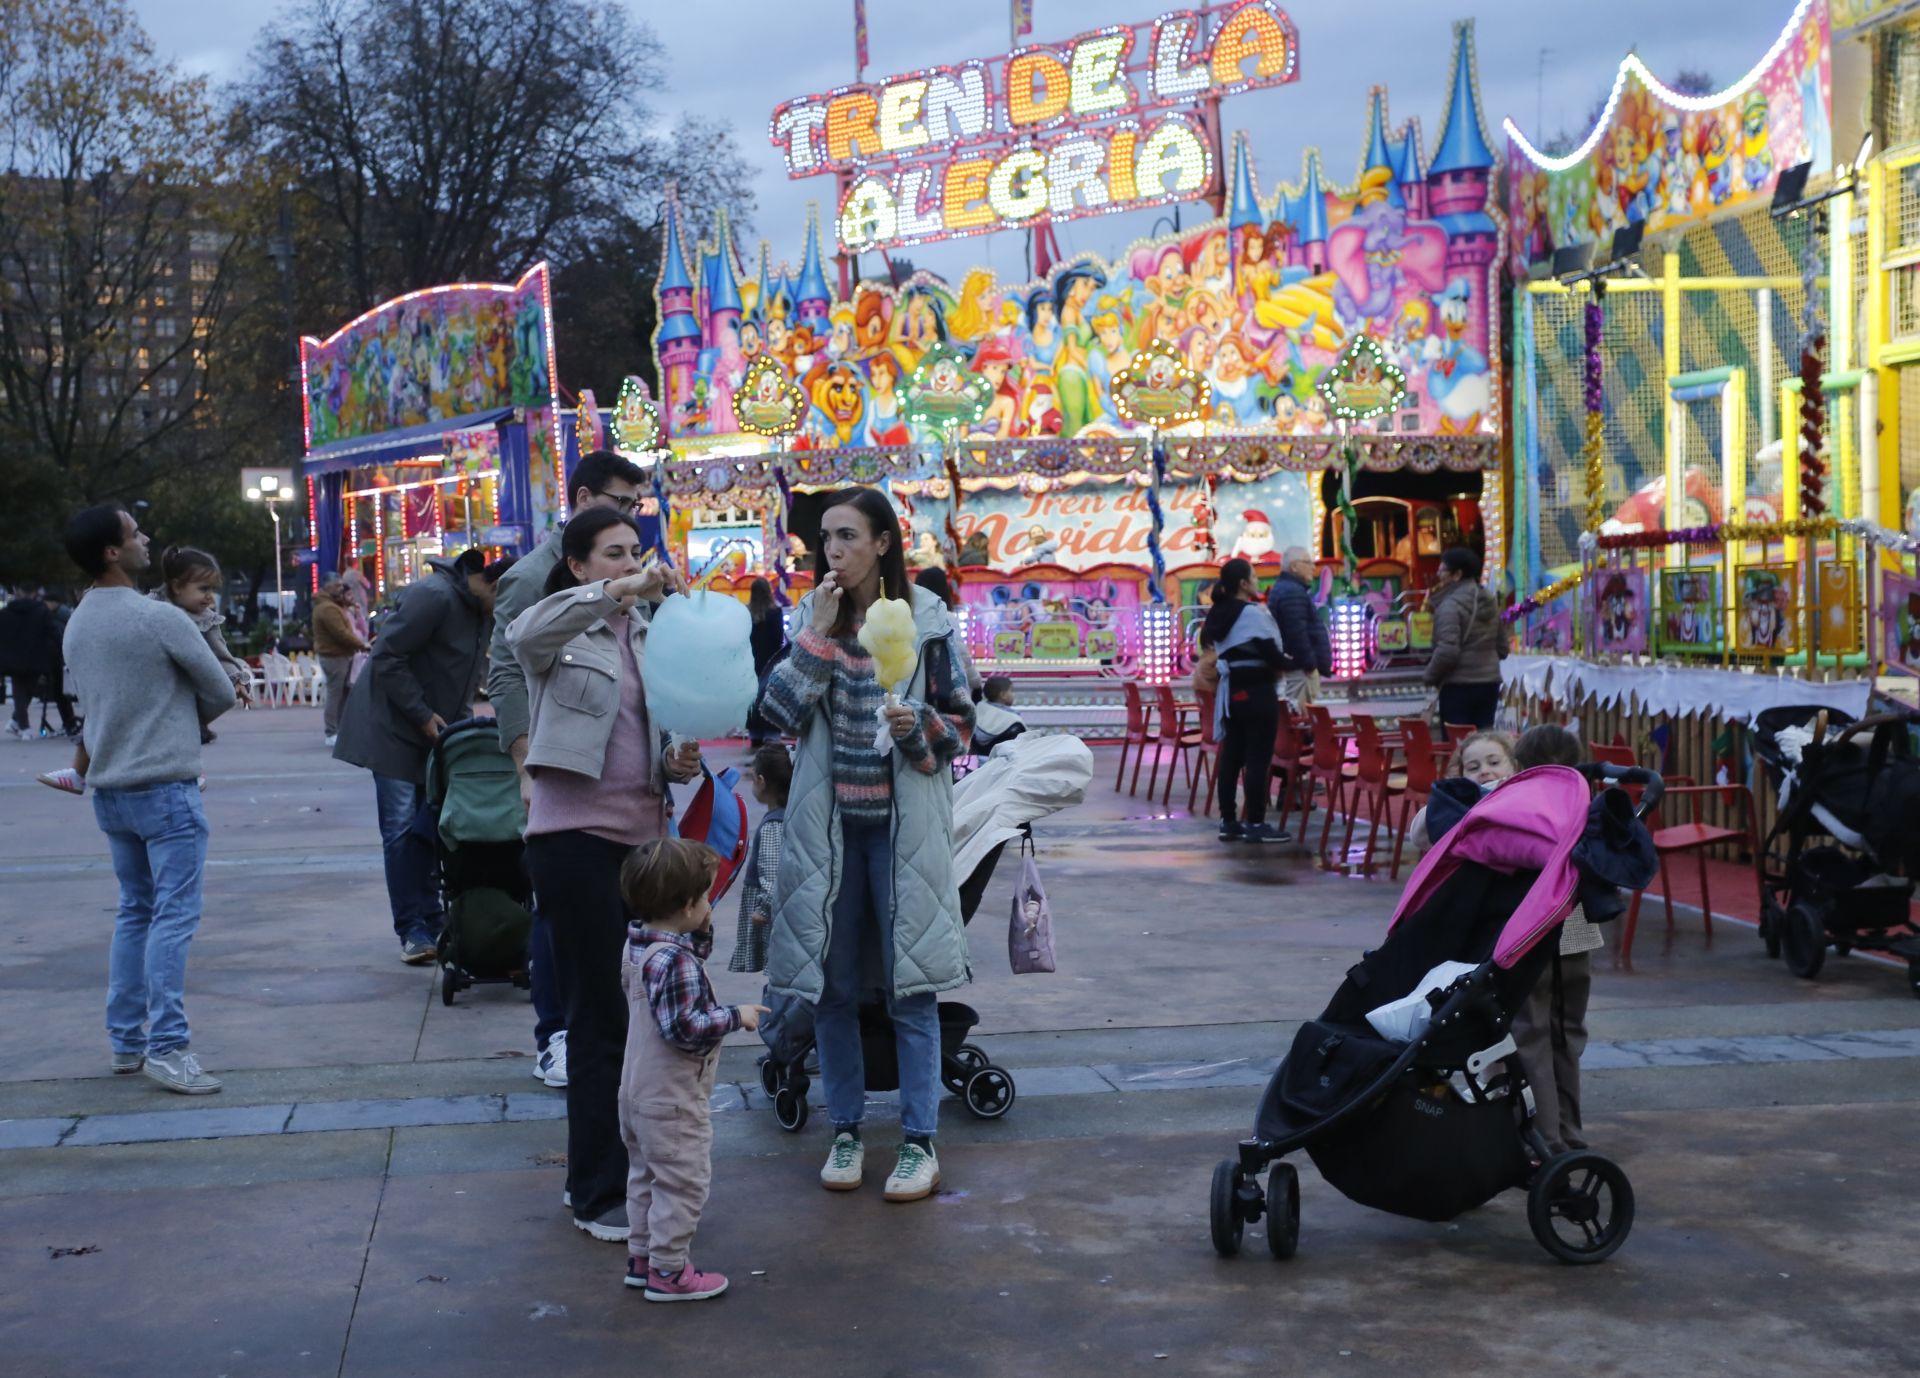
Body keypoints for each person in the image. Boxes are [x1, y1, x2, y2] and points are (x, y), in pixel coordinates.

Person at [758, 487, 976, 1203]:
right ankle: (846, 1130)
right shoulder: (813, 618)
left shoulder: (930, 625)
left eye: (848, 536)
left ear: (884, 543)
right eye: (826, 538)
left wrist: (916, 727)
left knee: (910, 988)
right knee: (834, 988)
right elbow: (777, 714)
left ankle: (919, 1142)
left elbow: (959, 734)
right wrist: (815, 636)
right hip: (827, 833)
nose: (834, 551)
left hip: (899, 833)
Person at [507, 506, 699, 1243]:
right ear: (580, 565)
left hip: (642, 843)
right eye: (612, 554)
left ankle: (616, 1171)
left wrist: (675, 760)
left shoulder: (654, 637)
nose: (630, 563)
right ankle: (596, 1191)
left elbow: (654, 734)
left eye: (635, 552)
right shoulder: (560, 628)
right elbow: (524, 634)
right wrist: (619, 591)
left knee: (644, 1013)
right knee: (599, 1018)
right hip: (572, 842)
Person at [60, 505, 237, 1093]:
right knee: (173, 917)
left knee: (135, 912)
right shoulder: (156, 618)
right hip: (165, 787)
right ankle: (168, 1045)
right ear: (112, 552)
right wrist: (179, 722)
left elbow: (90, 708)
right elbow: (219, 689)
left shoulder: (78, 622)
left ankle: (126, 1041)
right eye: (135, 534)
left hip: (110, 791)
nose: (146, 540)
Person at [488, 449, 647, 1085]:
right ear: (584, 500)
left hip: (634, 819)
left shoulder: (637, 614)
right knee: (572, 943)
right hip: (566, 801)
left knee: (624, 966)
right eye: (619, 503)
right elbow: (511, 660)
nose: (631, 526)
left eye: (637, 513)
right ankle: (554, 1034)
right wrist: (526, 761)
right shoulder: (536, 578)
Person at [334, 548, 509, 964]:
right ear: (494, 585)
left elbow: (464, 680)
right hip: (392, 728)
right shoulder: (435, 596)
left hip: (434, 732)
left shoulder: (481, 610)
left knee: (434, 826)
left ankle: (435, 918)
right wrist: (420, 714)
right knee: (399, 830)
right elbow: (387, 657)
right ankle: (413, 929)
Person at [617, 836, 767, 1302]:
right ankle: (670, 1272)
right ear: (684, 905)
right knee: (683, 1183)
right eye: (703, 898)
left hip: (637, 1093)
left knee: (645, 1176)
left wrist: (699, 927)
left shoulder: (640, 946)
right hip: (674, 1100)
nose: (708, 904)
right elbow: (685, 1026)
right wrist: (734, 1016)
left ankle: (643, 1259)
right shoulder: (674, 961)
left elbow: (682, 965)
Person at [39, 546, 252, 796]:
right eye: (203, 589)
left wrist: (237, 678)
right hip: (141, 683)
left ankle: (190, 773)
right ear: (177, 586)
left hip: (178, 689)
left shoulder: (205, 620)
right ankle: (77, 772)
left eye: (212, 590)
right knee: (100, 720)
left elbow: (222, 656)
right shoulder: (148, 608)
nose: (210, 598)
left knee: (183, 726)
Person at [1509, 724, 1601, 1155]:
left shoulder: (1521, 804)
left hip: (1536, 921)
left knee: (1531, 1029)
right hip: (1579, 917)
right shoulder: (1588, 804)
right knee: (1568, 1028)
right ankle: (1571, 1129)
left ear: (1520, 766)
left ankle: (1545, 1137)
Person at [1203, 558, 1290, 845]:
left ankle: (1228, 821)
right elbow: (1272, 655)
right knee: (1257, 759)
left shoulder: (1218, 612)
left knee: (1231, 758)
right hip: (1258, 691)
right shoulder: (1251, 614)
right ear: (1243, 583)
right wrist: (1300, 662)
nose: (1257, 581)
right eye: (1253, 576)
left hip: (1232, 693)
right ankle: (1255, 821)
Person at [1424, 546, 1510, 730]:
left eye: (1443, 569)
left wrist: (1429, 676)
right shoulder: (1489, 601)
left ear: (1457, 575)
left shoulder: (1450, 606)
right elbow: (1503, 648)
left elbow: (1448, 651)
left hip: (1458, 687)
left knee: (1459, 745)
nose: (1438, 573)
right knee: (1483, 741)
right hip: (1489, 685)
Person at [728, 744, 790, 975]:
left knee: (776, 966)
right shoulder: (788, 816)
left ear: (762, 781)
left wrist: (763, 910)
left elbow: (773, 872)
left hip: (772, 917)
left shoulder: (774, 824)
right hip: (778, 911)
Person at [1406, 729, 1517, 851]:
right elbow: (1418, 835)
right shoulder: (1462, 802)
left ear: (1513, 766)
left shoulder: (1524, 793)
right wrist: (1452, 798)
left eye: (1494, 763)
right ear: (1461, 775)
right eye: (1473, 768)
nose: (1484, 771)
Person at [1, 586, 78, 740]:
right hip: (36, 656)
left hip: (13, 656)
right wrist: (64, 648)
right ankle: (20, 724)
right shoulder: (41, 612)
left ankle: (22, 725)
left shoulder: (6, 612)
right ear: (35, 594)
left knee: (19, 691)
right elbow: (53, 631)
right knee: (30, 688)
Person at [1266, 546, 1331, 708]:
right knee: (1301, 717)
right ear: (1294, 567)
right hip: (1300, 670)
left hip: (1297, 666)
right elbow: (1297, 633)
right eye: (1308, 562)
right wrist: (1309, 663)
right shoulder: (1292, 592)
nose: (1313, 567)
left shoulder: (1288, 589)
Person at [312, 577, 372, 747]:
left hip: (339, 655)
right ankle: (331, 732)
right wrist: (362, 645)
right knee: (335, 694)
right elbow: (341, 633)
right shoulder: (328, 609)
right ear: (328, 587)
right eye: (337, 586)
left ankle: (339, 730)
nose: (340, 589)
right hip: (334, 657)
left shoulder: (329, 606)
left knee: (342, 694)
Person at [914, 566, 982, 699]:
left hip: (917, 688)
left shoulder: (911, 615)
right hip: (945, 688)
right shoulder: (946, 617)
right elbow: (961, 655)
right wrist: (976, 682)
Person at [745, 577, 786, 747]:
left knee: (752, 698)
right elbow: (778, 639)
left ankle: (754, 733)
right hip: (771, 662)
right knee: (770, 696)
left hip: (751, 662)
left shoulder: (747, 612)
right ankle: (772, 732)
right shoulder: (775, 612)